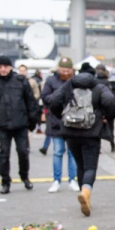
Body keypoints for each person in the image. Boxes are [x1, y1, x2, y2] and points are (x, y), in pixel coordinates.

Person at [47, 64, 115, 217]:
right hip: (91, 132)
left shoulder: (69, 84)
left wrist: (61, 114)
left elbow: (54, 100)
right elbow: (109, 101)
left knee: (80, 164)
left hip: (71, 132)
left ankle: (84, 196)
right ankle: (86, 191)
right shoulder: (98, 86)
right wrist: (106, 116)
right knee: (90, 167)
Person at [0, 56, 41, 194]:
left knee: (23, 152)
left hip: (20, 124)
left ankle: (24, 176)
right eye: (0, 66)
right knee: (4, 154)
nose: (2, 69)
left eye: (5, 66)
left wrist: (32, 121)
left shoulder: (21, 81)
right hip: (3, 125)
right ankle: (5, 181)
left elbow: (31, 102)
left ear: (10, 67)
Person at [41, 58, 79, 193]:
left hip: (73, 122)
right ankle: (56, 180)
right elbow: (45, 98)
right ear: (58, 69)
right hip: (56, 122)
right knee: (57, 152)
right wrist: (61, 93)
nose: (65, 72)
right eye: (63, 69)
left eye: (68, 69)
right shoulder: (51, 81)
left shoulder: (76, 80)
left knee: (72, 153)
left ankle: (72, 179)